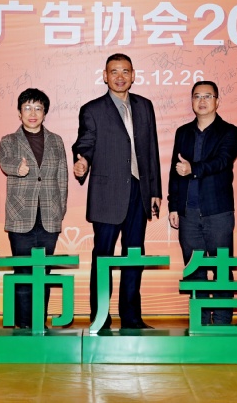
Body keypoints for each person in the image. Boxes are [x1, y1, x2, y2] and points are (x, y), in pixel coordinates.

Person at [72, 53, 162, 330]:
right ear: (105, 76)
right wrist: (82, 161)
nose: (120, 77)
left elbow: (151, 150)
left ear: (133, 76)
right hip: (107, 194)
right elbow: (85, 142)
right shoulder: (92, 110)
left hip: (139, 191)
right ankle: (100, 317)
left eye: (125, 71)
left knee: (134, 256)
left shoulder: (145, 106)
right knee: (103, 257)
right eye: (114, 72)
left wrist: (155, 190)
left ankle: (132, 317)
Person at [168, 81, 237, 326]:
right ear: (191, 101)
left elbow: (222, 161)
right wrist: (173, 206)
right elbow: (175, 172)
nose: (202, 101)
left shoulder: (229, 132)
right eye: (197, 96)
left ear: (217, 101)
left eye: (207, 96)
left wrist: (193, 168)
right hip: (188, 213)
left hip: (217, 211)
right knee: (194, 269)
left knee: (221, 268)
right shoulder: (182, 132)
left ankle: (221, 321)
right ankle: (199, 320)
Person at [0, 88, 68, 329]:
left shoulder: (56, 141)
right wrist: (17, 168)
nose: (32, 113)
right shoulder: (9, 140)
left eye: (38, 108)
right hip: (20, 216)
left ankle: (39, 322)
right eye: (27, 108)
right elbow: (5, 162)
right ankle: (23, 323)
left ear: (45, 112)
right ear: (19, 113)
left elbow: (62, 178)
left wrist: (60, 210)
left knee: (43, 272)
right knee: (23, 272)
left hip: (49, 217)